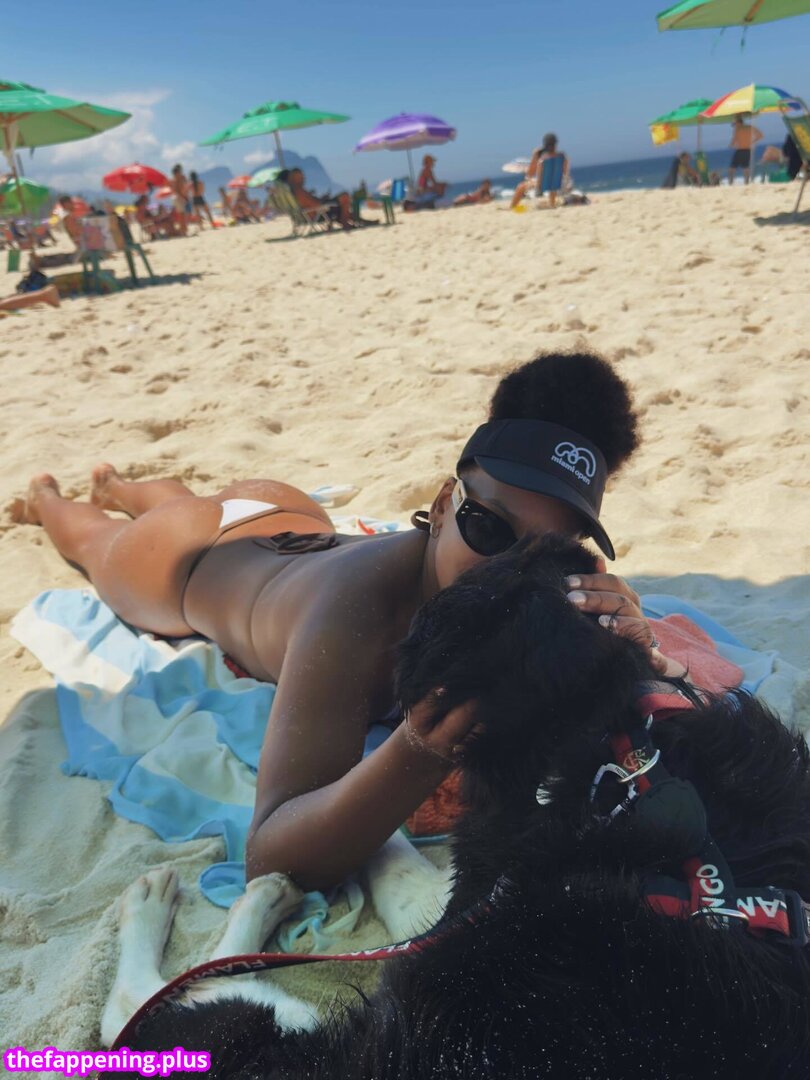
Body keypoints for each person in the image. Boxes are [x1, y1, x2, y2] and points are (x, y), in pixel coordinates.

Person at [14, 351, 676, 892]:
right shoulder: (358, 616)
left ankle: (120, 484)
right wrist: (418, 750)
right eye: (489, 528)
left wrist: (629, 635)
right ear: (442, 505)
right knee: (97, 544)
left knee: (189, 501)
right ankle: (51, 498)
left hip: (292, 516)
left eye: (550, 551)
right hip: (186, 563)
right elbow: (270, 855)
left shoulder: (537, 590)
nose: (514, 570)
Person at [510, 133, 569, 209]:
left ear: (544, 144)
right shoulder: (562, 156)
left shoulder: (540, 156)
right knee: (553, 181)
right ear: (556, 143)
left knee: (521, 186)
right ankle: (552, 203)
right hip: (559, 184)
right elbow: (565, 173)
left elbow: (530, 174)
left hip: (542, 185)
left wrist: (533, 158)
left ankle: (512, 207)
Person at [287, 167, 353, 227]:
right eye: (300, 177)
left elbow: (311, 203)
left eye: (302, 176)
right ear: (294, 178)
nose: (303, 178)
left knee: (343, 204)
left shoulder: (296, 191)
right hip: (319, 214)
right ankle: (344, 222)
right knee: (345, 196)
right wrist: (324, 201)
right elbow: (316, 205)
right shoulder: (299, 191)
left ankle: (352, 219)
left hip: (316, 212)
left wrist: (322, 198)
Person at [729, 117, 763, 185]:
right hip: (748, 150)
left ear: (738, 123)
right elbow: (760, 135)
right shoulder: (749, 127)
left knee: (732, 169)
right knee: (746, 168)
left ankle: (731, 183)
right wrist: (752, 141)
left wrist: (731, 145)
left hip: (740, 150)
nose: (735, 126)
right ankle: (746, 183)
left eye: (735, 124)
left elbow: (734, 140)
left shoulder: (737, 129)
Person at [170, 163, 189, 236]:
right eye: (180, 171)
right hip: (179, 198)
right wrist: (184, 197)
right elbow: (179, 190)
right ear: (177, 172)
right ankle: (183, 231)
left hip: (175, 198)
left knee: (180, 215)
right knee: (182, 215)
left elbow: (175, 190)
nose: (181, 172)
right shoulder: (178, 179)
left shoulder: (173, 179)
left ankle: (183, 230)